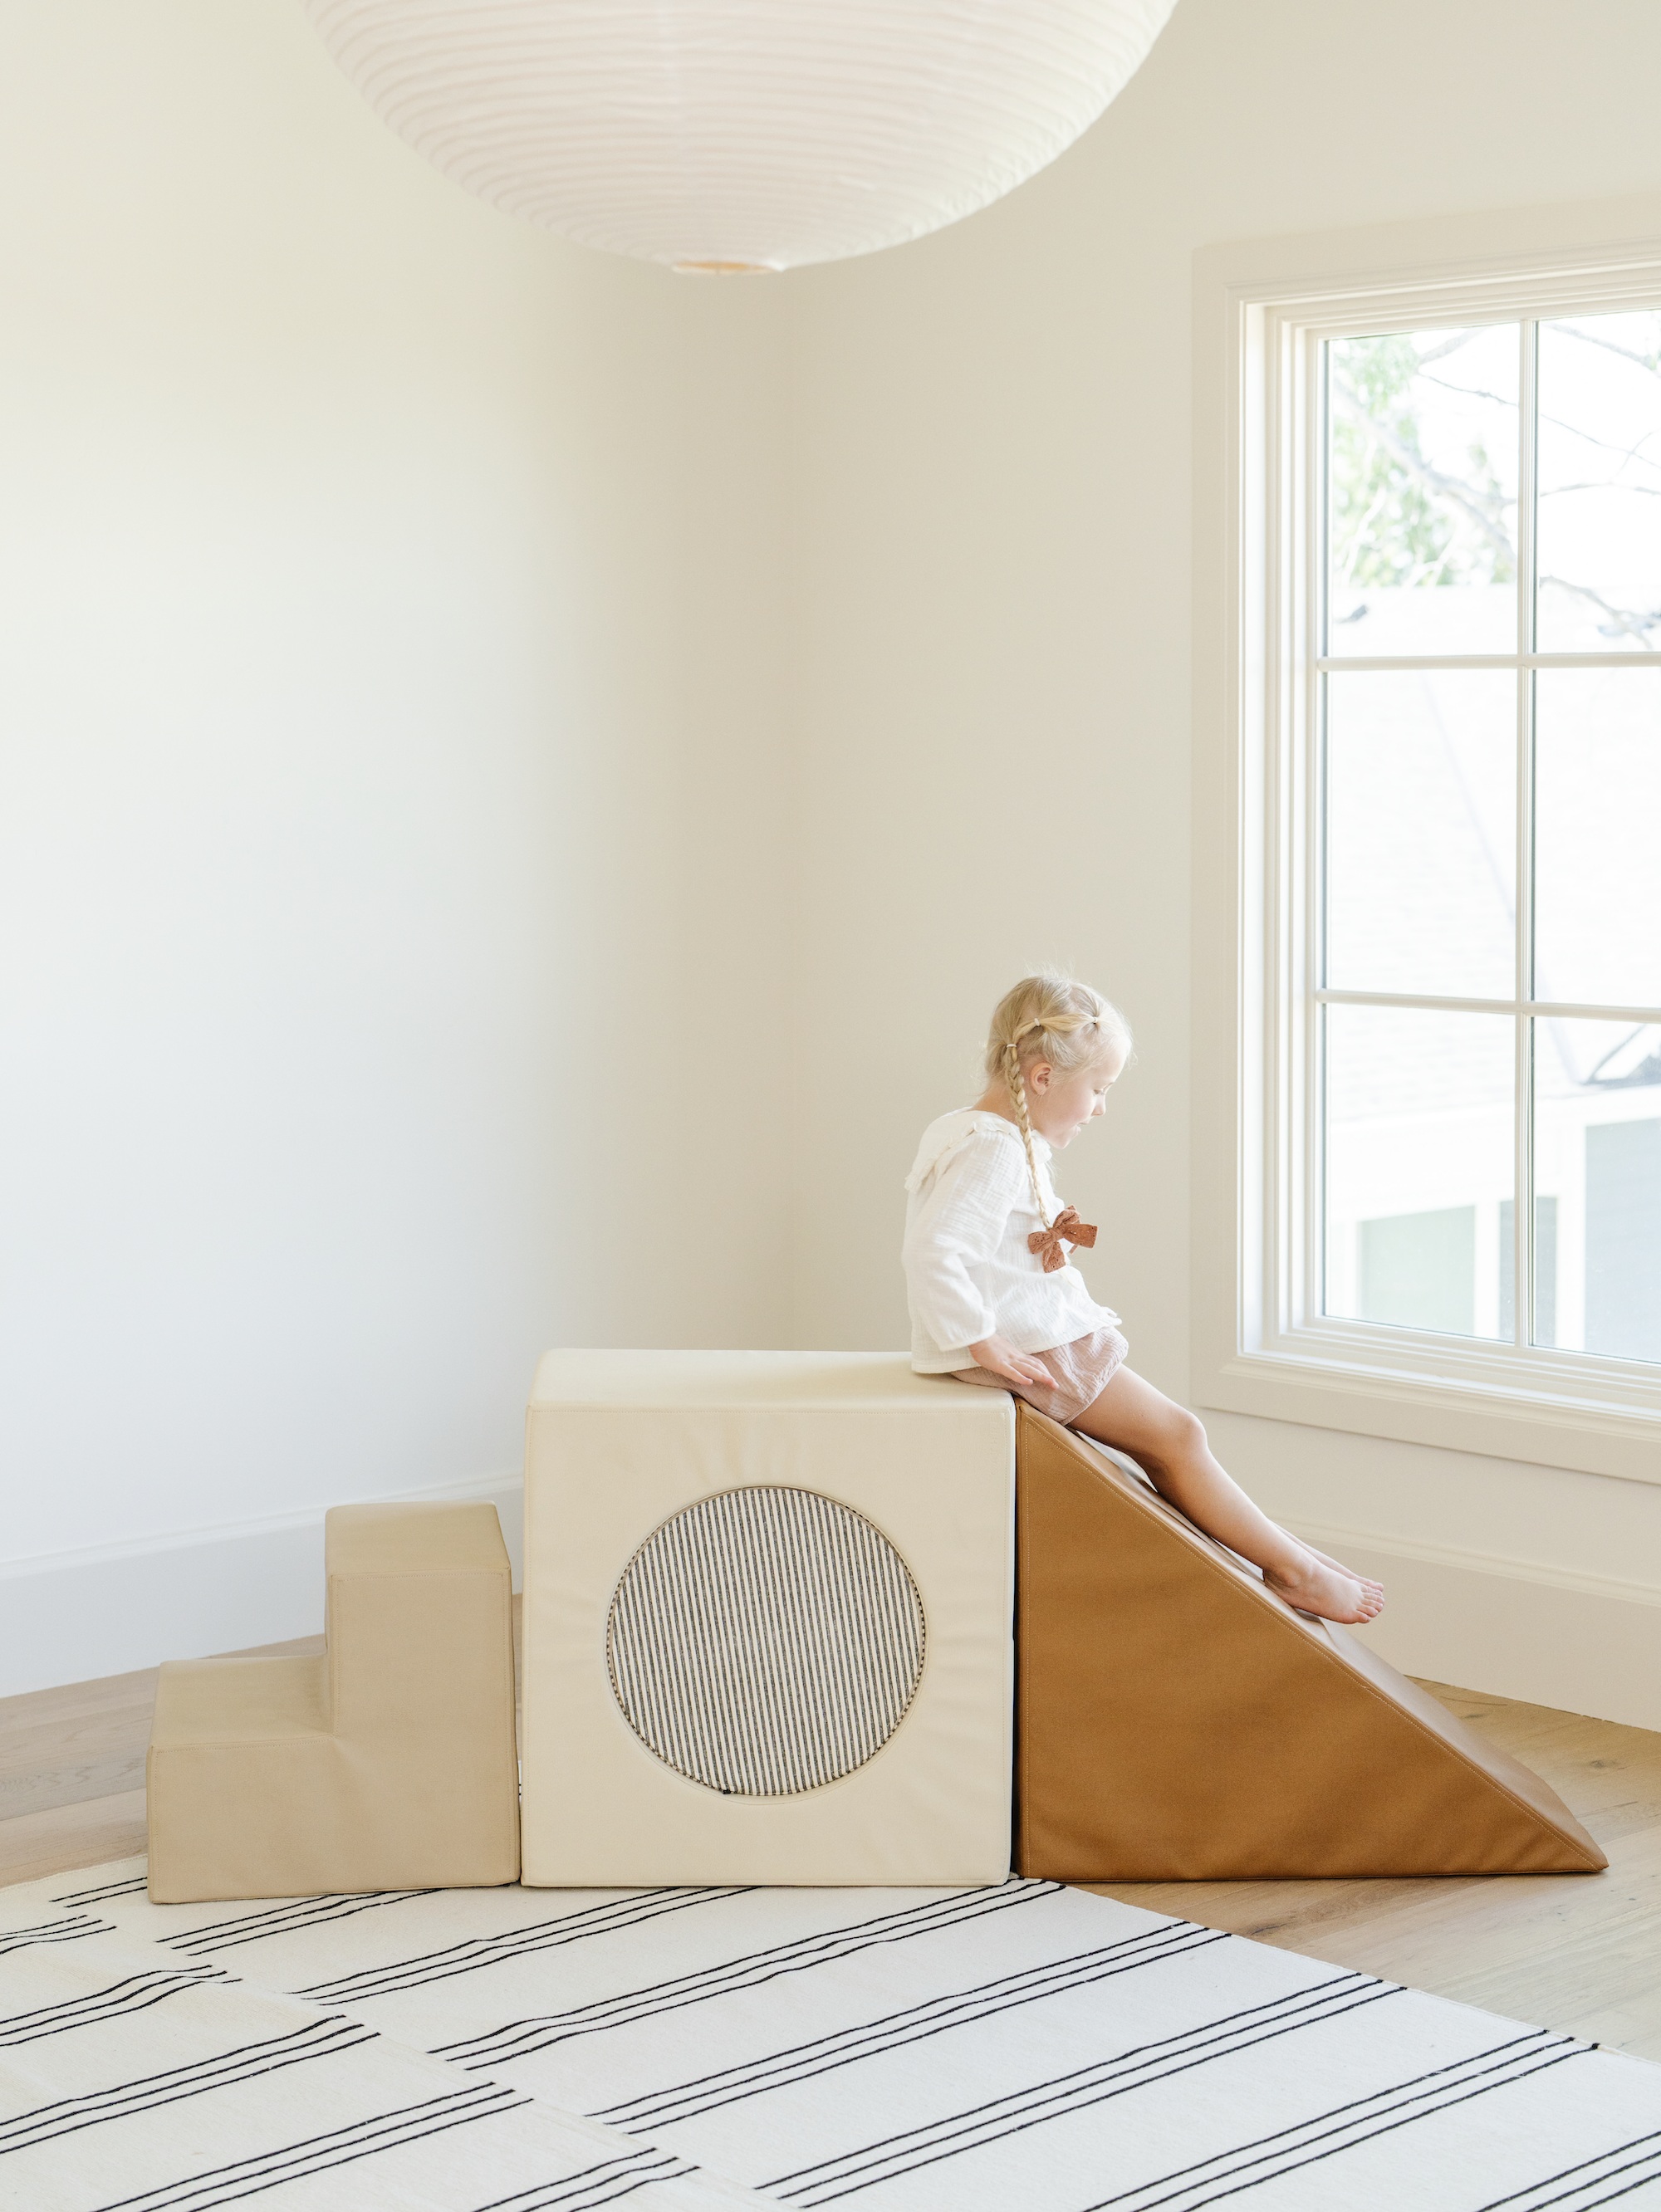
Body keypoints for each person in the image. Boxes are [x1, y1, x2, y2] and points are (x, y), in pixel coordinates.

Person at [902, 972, 1384, 1626]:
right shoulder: (994, 1149)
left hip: (1033, 1338)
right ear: (1043, 1078)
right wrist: (980, 1338)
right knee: (1179, 1437)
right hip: (1038, 1349)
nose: (1100, 1107)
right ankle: (1294, 1570)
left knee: (1173, 1442)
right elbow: (936, 1249)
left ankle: (1295, 1557)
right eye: (1098, 1089)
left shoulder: (974, 1131)